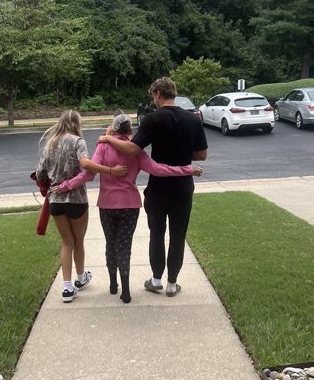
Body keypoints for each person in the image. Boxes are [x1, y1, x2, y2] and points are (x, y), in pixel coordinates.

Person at [52, 112, 202, 304]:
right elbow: (159, 170)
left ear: (113, 129)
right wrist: (187, 169)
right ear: (130, 129)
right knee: (124, 246)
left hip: (107, 204)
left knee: (110, 244)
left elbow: (88, 174)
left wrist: (64, 186)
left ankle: (113, 284)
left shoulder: (103, 146)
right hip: (130, 206)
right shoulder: (136, 152)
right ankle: (126, 290)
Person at [98, 77, 207, 297]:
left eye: (153, 96)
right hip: (183, 187)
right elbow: (201, 155)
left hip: (158, 188)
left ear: (158, 94)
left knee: (157, 233)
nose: (153, 100)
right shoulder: (193, 119)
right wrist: (182, 154)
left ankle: (156, 280)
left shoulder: (152, 119)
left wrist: (108, 139)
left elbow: (132, 149)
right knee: (178, 236)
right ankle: (172, 284)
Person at [36, 110, 127, 303]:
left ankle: (67, 287)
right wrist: (111, 171)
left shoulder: (50, 144)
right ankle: (80, 277)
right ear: (76, 123)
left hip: (56, 201)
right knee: (79, 241)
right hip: (76, 199)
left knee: (66, 242)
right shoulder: (78, 142)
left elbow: (40, 173)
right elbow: (87, 167)